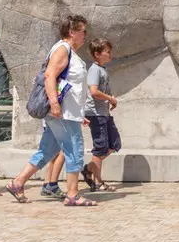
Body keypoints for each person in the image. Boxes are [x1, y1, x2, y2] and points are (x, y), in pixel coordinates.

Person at [9, 14, 94, 206]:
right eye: (83, 31)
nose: (85, 35)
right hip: (62, 113)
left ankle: (18, 183)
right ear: (72, 32)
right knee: (74, 148)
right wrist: (55, 104)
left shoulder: (68, 50)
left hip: (67, 113)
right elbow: (50, 76)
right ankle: (72, 194)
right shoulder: (63, 49)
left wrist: (80, 114)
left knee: (48, 150)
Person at [84, 37, 121, 190]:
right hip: (96, 113)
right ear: (97, 54)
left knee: (114, 144)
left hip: (104, 113)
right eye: (107, 52)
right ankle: (98, 181)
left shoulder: (103, 70)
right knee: (101, 147)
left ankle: (89, 169)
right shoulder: (94, 70)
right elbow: (93, 91)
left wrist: (110, 101)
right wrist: (110, 98)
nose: (109, 54)